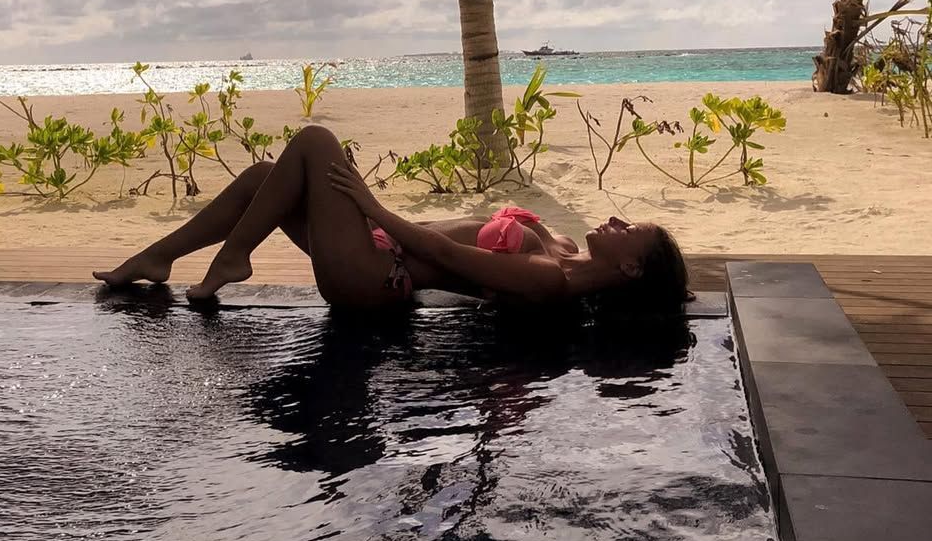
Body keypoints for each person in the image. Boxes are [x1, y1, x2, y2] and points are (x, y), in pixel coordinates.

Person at [93, 124, 690, 310]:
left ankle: (234, 256)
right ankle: (159, 257)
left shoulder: (550, 278)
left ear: (632, 269)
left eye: (628, 231)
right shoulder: (563, 249)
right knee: (261, 177)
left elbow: (447, 254)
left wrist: (371, 205)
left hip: (378, 278)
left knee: (316, 142)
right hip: (380, 249)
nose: (616, 220)